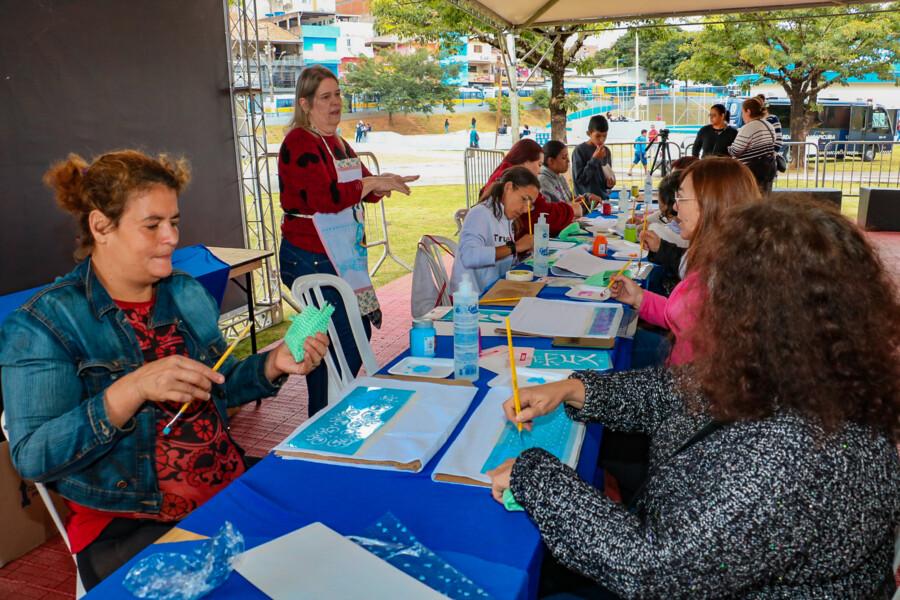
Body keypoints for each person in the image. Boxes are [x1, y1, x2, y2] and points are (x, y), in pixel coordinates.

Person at [488, 194, 900, 598]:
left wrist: (533, 475)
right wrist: (575, 388)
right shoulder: (802, 371)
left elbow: (647, 567)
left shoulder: (794, 455)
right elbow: (675, 390)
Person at [0, 150, 330, 591]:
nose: (171, 237)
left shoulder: (184, 293)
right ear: (101, 227)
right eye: (152, 225)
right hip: (129, 521)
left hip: (223, 488)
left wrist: (271, 364)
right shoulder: (45, 324)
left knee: (333, 532)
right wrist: (131, 389)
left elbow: (219, 385)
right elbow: (34, 457)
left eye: (174, 221)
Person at [277, 65, 417, 417]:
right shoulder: (299, 141)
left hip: (341, 257)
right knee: (334, 344)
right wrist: (370, 185)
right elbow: (326, 197)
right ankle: (322, 419)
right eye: (326, 97)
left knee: (347, 338)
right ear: (305, 104)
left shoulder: (338, 143)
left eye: (338, 94)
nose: (336, 102)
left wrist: (382, 182)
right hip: (310, 257)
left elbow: (360, 186)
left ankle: (327, 413)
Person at [611, 157, 761, 366]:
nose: (675, 207)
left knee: (612, 352)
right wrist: (639, 298)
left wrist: (584, 388)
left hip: (681, 383)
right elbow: (683, 316)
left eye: (681, 198)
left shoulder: (721, 279)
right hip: (678, 369)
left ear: (710, 205)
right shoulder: (724, 259)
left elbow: (689, 387)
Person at [450, 167, 537, 294]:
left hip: (495, 291)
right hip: (470, 301)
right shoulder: (480, 213)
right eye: (524, 199)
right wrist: (515, 247)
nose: (525, 209)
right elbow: (469, 256)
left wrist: (524, 252)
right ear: (508, 188)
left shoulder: (507, 218)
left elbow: (503, 259)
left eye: (530, 205)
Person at [479, 139, 579, 237]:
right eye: (539, 164)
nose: (539, 171)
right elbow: (540, 213)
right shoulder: (517, 181)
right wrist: (569, 210)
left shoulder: (504, 175)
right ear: (525, 161)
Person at [729, 96, 778, 194]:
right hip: (768, 170)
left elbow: (736, 151)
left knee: (751, 200)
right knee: (764, 199)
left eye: (742, 112)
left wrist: (728, 148)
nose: (742, 115)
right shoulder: (769, 125)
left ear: (748, 111)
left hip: (751, 172)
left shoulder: (748, 128)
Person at [572, 115, 615, 202]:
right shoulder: (579, 151)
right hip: (586, 203)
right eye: (598, 136)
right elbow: (580, 180)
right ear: (589, 133)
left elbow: (605, 178)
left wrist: (609, 184)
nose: (602, 140)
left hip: (603, 200)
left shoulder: (606, 151)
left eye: (604, 136)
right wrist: (595, 159)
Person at [539, 140, 577, 205]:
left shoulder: (560, 176)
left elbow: (570, 199)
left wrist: (585, 198)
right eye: (564, 157)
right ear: (551, 161)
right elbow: (549, 210)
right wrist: (572, 206)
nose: (568, 160)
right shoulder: (543, 181)